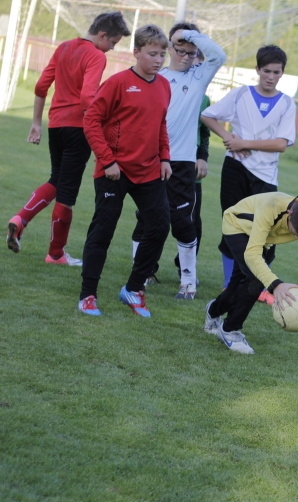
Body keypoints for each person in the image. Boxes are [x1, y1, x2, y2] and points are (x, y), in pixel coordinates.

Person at [6, 11, 132, 264]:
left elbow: (41, 86)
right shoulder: (95, 55)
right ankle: (56, 254)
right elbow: (88, 97)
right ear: (102, 35)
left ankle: (20, 219)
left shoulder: (63, 47)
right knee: (67, 193)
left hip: (55, 126)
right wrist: (104, 123)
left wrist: (35, 124)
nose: (110, 49)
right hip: (78, 128)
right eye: (113, 43)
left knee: (57, 179)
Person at [77, 25, 172, 318]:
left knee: (159, 226)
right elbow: (91, 120)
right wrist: (107, 160)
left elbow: (160, 124)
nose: (158, 60)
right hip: (113, 172)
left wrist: (165, 158)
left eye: (162, 54)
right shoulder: (118, 83)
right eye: (152, 53)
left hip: (148, 171)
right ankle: (87, 295)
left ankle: (133, 289)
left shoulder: (164, 85)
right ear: (137, 52)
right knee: (102, 231)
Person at [129, 22, 226, 300]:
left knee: (183, 221)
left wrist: (190, 35)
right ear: (169, 48)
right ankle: (142, 273)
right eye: (179, 49)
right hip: (150, 158)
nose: (185, 56)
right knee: (145, 218)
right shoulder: (157, 76)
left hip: (181, 161)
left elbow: (219, 55)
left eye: (191, 52)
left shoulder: (199, 77)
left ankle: (188, 280)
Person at [201, 45, 297, 296]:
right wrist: (227, 136)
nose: (271, 77)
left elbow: (280, 144)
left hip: (265, 176)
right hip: (235, 169)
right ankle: (227, 284)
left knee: (268, 232)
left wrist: (243, 143)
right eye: (266, 71)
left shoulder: (287, 104)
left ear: (282, 73)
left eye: (277, 72)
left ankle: (258, 286)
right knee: (233, 226)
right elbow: (208, 115)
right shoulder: (241, 95)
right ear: (257, 69)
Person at [203, 193, 298, 354]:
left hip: (266, 237)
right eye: (295, 232)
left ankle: (213, 310)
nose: (296, 238)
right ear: (290, 213)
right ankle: (230, 330)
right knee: (255, 279)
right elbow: (252, 254)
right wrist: (276, 285)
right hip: (237, 226)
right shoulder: (272, 206)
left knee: (239, 283)